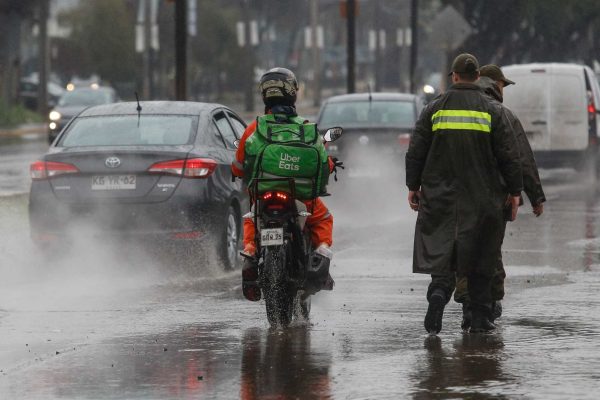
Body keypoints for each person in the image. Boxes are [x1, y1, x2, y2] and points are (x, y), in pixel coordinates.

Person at [405, 53, 523, 334]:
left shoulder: (434, 109)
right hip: (482, 199)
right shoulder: (493, 110)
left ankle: (437, 294)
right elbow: (509, 155)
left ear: (455, 77)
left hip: (440, 196)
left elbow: (416, 151)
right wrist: (515, 192)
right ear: (476, 77)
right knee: (482, 257)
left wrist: (413, 186)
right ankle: (480, 318)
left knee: (444, 250)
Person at [231, 67, 335, 302]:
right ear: (293, 94)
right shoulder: (307, 129)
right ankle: (320, 254)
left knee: (252, 217)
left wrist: (238, 172)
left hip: (264, 196)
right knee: (323, 218)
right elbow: (323, 163)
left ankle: (249, 252)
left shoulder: (254, 128)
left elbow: (238, 165)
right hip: (300, 198)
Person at [454, 64, 546, 329]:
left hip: (454, 195)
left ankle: (467, 306)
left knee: (462, 249)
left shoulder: (447, 107)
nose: (504, 90)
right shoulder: (501, 113)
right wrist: (533, 196)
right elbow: (521, 159)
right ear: (494, 84)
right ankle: (486, 307)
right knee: (489, 252)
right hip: (493, 197)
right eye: (503, 85)